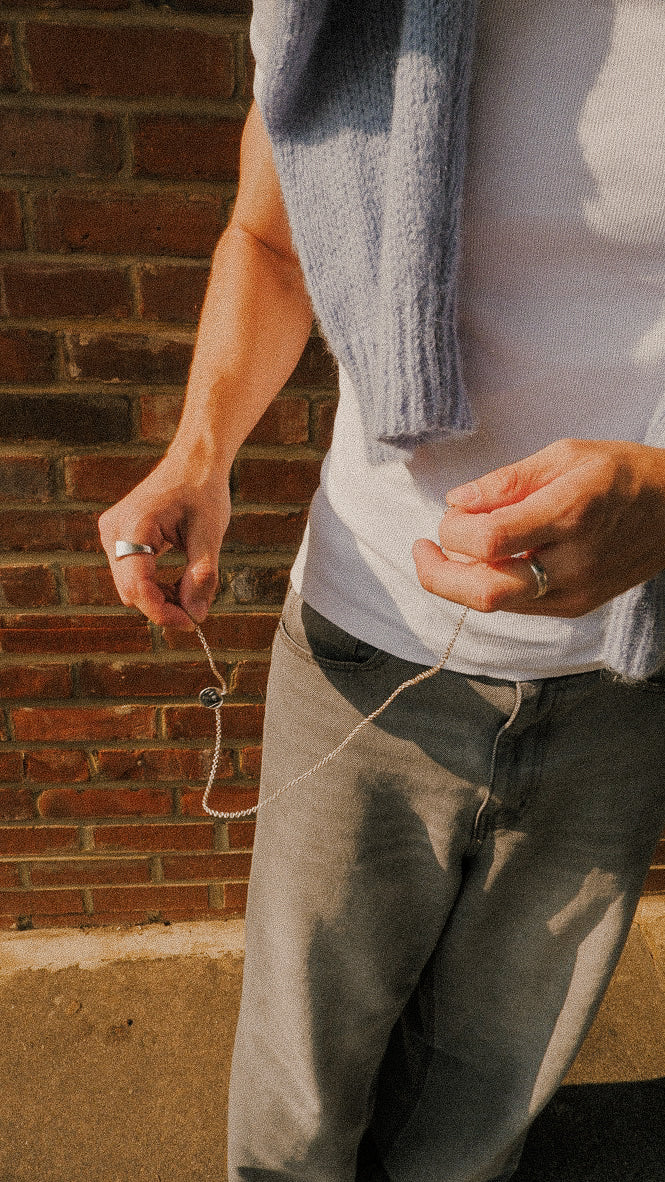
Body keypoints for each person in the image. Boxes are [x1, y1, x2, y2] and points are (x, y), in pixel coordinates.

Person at [100, 1, 665, 1179]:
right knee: (297, 1102)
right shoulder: (332, 12)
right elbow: (269, 239)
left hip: (626, 678)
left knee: (487, 1096)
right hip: (366, 651)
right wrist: (198, 456)